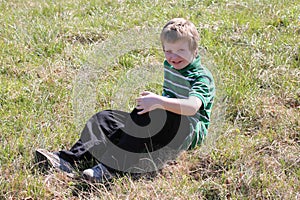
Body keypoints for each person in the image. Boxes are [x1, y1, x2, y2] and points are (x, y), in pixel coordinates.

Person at [35, 18, 215, 183]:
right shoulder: (170, 65)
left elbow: (192, 107)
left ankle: (111, 168)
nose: (173, 56)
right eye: (168, 51)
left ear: (195, 50)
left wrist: (158, 101)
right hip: (165, 122)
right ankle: (67, 160)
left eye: (181, 51)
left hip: (186, 132)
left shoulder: (200, 77)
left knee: (152, 111)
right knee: (105, 118)